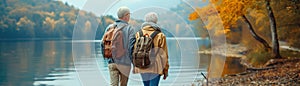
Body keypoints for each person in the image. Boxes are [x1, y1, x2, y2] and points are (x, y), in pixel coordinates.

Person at [131, 12, 169, 86]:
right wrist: (165, 70)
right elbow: (164, 55)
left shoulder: (138, 34)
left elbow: (135, 50)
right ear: (156, 21)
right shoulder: (160, 35)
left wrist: (135, 65)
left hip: (142, 65)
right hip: (156, 66)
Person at [102, 6, 135, 86]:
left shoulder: (110, 27)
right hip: (125, 63)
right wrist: (133, 63)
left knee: (113, 84)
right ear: (126, 16)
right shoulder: (130, 29)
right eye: (129, 15)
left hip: (112, 62)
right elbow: (131, 46)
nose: (129, 17)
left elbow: (102, 44)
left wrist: (107, 58)